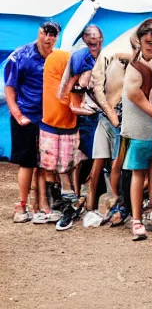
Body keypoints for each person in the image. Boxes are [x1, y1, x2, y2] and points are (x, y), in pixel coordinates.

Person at [4, 21, 61, 223]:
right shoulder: (20, 56)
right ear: (39, 33)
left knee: (45, 163)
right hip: (25, 116)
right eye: (46, 33)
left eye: (53, 35)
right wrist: (18, 115)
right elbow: (9, 88)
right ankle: (21, 205)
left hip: (47, 117)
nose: (48, 38)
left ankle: (42, 205)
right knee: (27, 163)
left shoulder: (56, 57)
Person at [86, 33, 140, 223]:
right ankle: (94, 204)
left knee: (118, 163)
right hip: (111, 117)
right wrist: (110, 114)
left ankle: (118, 200)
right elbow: (96, 88)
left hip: (126, 120)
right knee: (102, 161)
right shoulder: (112, 58)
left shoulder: (138, 63)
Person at [121, 19, 152, 241]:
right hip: (141, 125)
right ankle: (136, 219)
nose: (151, 37)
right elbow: (134, 94)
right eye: (146, 34)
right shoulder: (135, 66)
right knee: (138, 170)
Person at [38, 49, 87, 229]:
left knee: (61, 167)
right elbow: (65, 99)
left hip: (59, 124)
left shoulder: (57, 70)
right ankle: (65, 203)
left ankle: (65, 202)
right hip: (57, 125)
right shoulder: (58, 75)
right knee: (60, 167)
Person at [59, 25, 104, 194]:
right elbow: (71, 91)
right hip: (86, 115)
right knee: (87, 153)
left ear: (101, 39)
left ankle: (92, 191)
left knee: (97, 155)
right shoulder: (79, 58)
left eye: (95, 36)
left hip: (101, 114)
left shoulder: (105, 57)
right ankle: (81, 192)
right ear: (84, 39)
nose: (92, 38)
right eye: (88, 36)